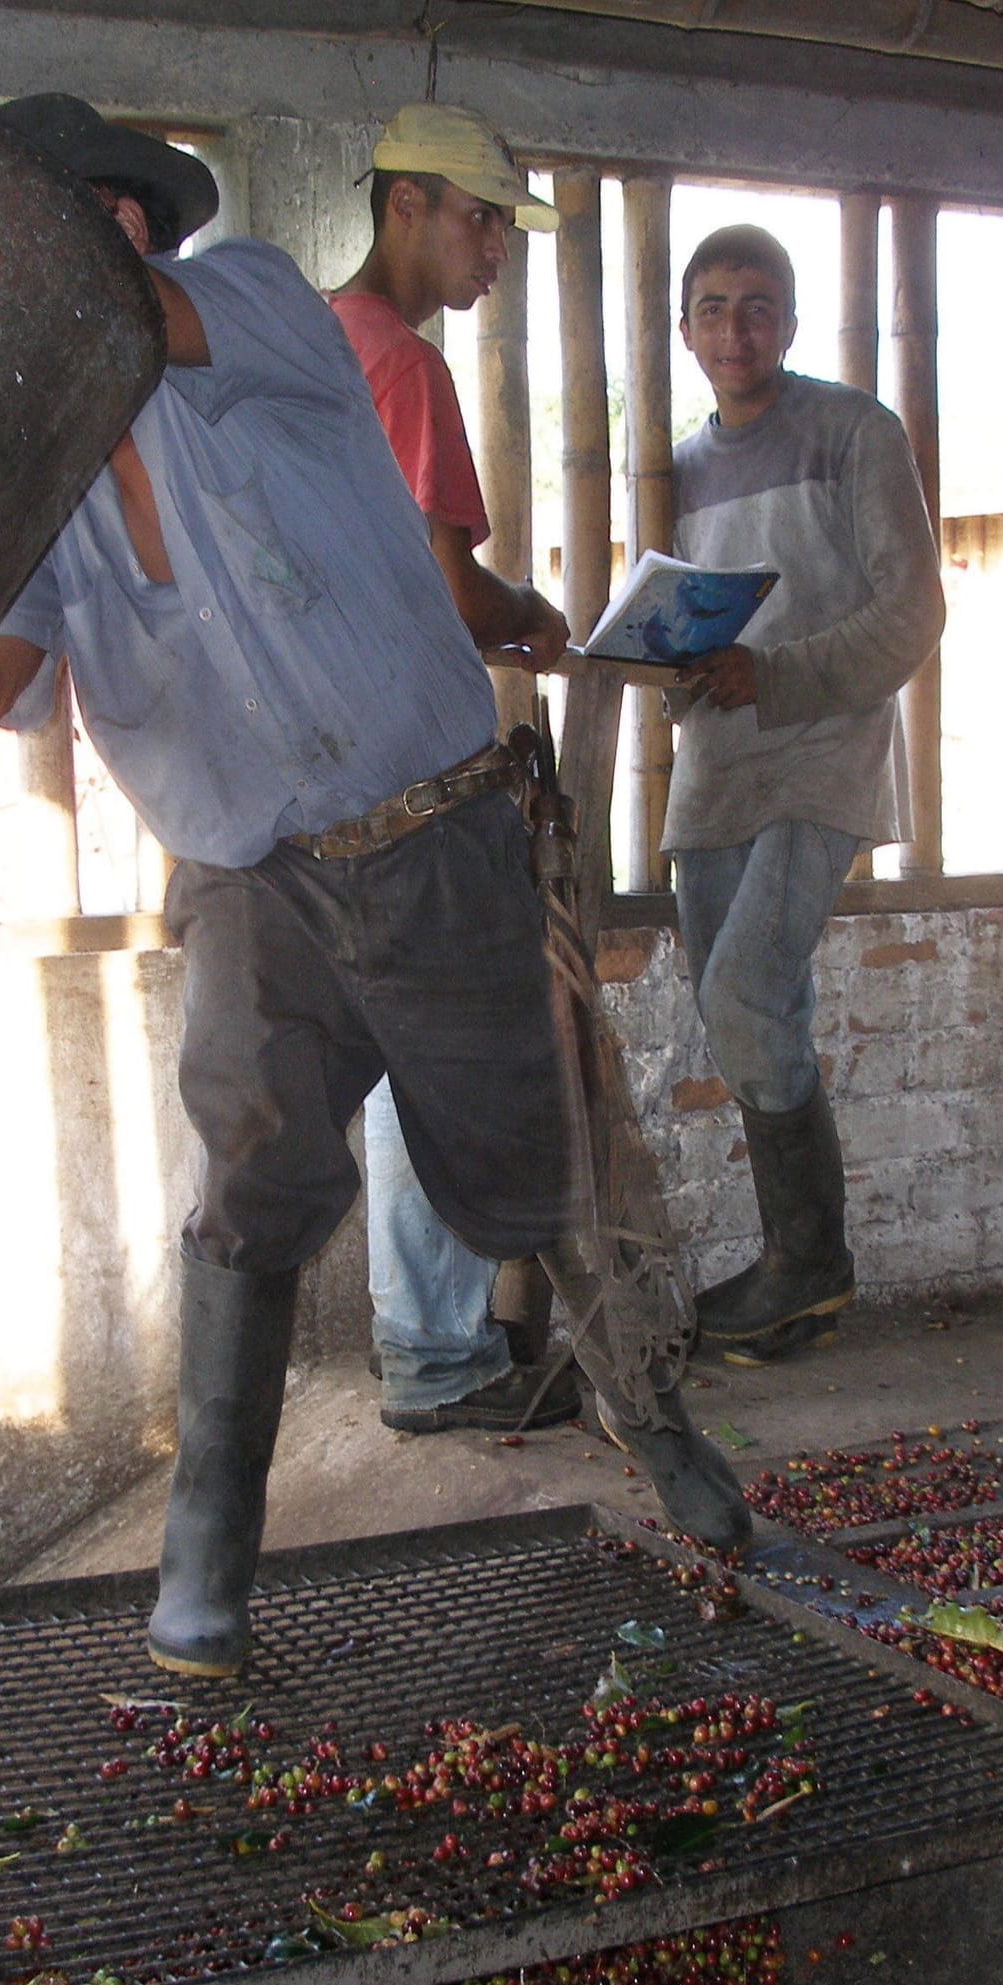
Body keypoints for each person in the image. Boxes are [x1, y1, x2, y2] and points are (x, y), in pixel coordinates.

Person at [0, 93, 750, 1677]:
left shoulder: (248, 307)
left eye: (88, 228)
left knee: (528, 1167)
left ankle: (654, 1425)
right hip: (254, 884)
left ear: (129, 233)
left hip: (434, 833)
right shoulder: (21, 480)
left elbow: (136, 319)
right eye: (21, 242)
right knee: (247, 1189)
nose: (66, 262)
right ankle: (205, 1572)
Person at [327, 102, 578, 1437]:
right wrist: (524, 612)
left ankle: (418, 1339)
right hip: (409, 775)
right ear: (406, 203)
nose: (497, 251)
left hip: (306, 780)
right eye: (484, 220)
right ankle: (440, 1358)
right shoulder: (404, 369)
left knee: (369, 1063)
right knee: (447, 1058)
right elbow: (439, 586)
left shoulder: (299, 340)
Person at [667, 226, 943, 1364]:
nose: (736, 328)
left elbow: (911, 614)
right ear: (682, 328)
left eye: (759, 305)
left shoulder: (852, 432)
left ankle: (806, 1259)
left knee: (743, 990)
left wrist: (768, 675)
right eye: (713, 307)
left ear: (789, 319)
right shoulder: (666, 466)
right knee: (739, 1009)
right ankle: (801, 1278)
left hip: (821, 750)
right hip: (713, 769)